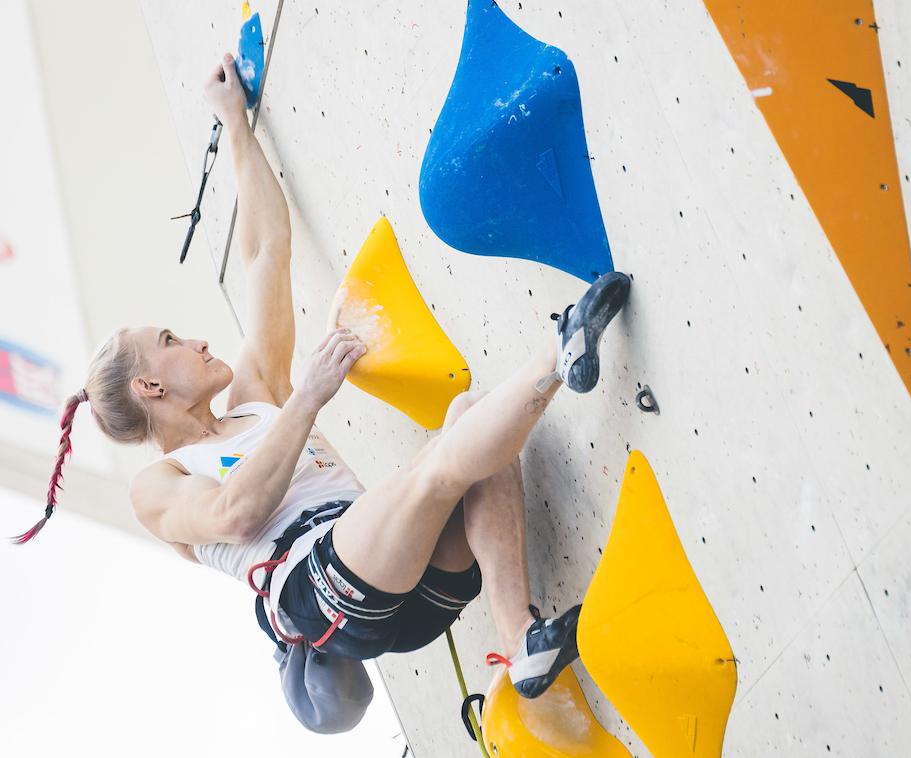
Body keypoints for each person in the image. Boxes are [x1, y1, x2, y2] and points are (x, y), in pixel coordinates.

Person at [16, 53, 631, 702]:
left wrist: (235, 121)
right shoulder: (158, 485)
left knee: (472, 428)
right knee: (436, 469)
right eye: (169, 341)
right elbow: (232, 515)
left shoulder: (253, 401)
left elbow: (264, 253)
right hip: (321, 594)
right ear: (150, 388)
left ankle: (521, 642)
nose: (196, 340)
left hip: (403, 573)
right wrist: (306, 396)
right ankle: (557, 353)